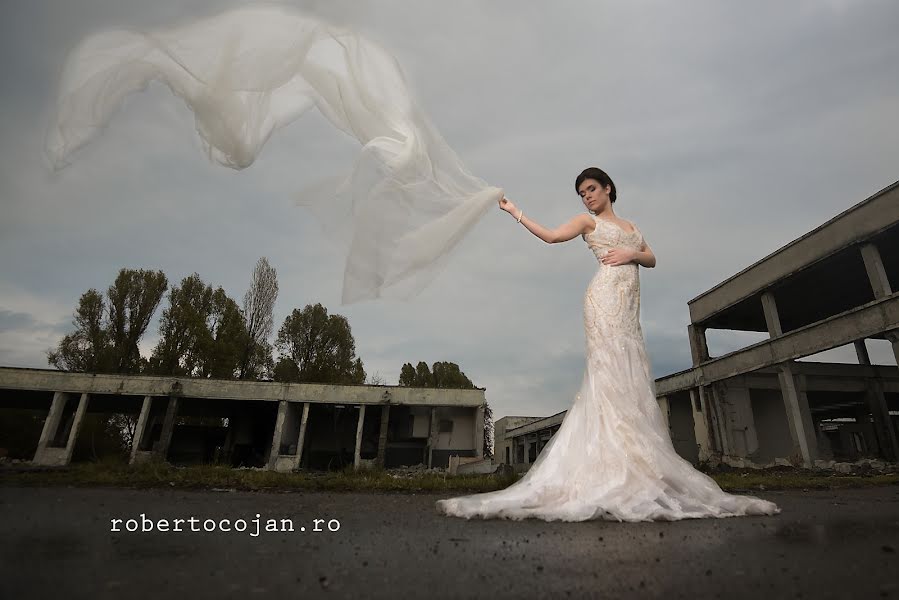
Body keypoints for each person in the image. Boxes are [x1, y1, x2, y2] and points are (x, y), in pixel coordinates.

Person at [435, 167, 781, 522]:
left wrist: (631, 255)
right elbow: (552, 237)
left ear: (608, 188)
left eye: (591, 189)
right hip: (603, 302)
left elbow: (651, 258)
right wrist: (515, 211)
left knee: (630, 380)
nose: (586, 197)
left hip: (629, 310)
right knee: (609, 377)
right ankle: (605, 471)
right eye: (582, 193)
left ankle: (633, 469)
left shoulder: (631, 227)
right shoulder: (588, 223)